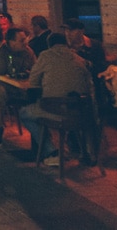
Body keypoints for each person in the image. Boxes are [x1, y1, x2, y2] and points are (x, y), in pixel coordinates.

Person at [19, 32, 94, 164]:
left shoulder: (45, 56)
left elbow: (34, 82)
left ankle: (52, 151)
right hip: (79, 112)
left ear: (49, 45)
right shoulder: (79, 59)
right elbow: (89, 86)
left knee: (24, 113)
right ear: (66, 44)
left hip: (54, 111)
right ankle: (86, 151)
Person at [0, 27, 36, 148]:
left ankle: (39, 140)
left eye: (25, 39)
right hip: (5, 88)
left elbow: (36, 70)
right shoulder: (0, 53)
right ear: (11, 42)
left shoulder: (28, 52)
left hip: (23, 88)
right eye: (21, 40)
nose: (25, 43)